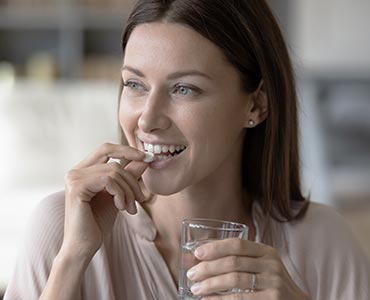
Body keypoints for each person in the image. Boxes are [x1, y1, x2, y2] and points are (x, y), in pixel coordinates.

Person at [4, 0, 370, 299]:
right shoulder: (62, 228)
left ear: (256, 105)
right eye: (134, 84)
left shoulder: (323, 241)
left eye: (184, 89)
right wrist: (72, 260)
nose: (147, 120)